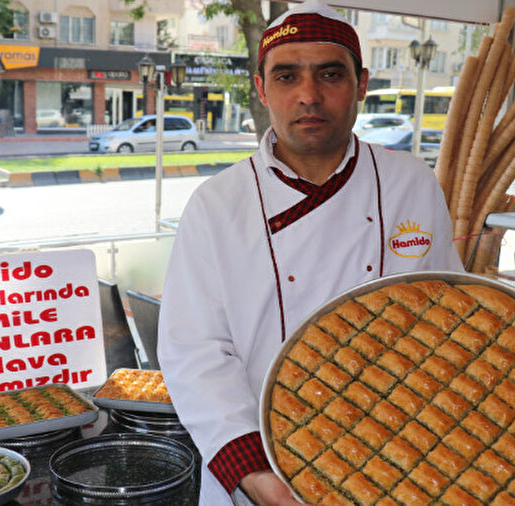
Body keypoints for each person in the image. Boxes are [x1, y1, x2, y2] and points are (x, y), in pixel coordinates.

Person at [157, 1, 464, 504]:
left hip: (403, 461)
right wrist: (259, 479)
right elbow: (194, 354)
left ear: (361, 84)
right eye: (286, 76)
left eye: (329, 74)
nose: (309, 95)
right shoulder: (218, 203)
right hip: (264, 466)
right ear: (260, 88)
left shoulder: (411, 182)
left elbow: (445, 321)